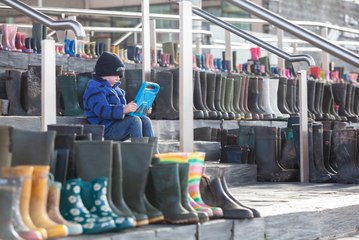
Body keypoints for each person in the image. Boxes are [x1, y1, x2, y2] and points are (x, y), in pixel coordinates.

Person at [83, 51, 155, 141]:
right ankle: (139, 151)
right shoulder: (94, 89)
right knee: (134, 121)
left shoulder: (117, 90)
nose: (118, 78)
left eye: (119, 76)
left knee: (145, 119)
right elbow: (102, 110)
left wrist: (138, 109)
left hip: (116, 126)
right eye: (115, 75)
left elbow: (124, 112)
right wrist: (124, 109)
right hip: (103, 130)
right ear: (104, 73)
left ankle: (152, 151)